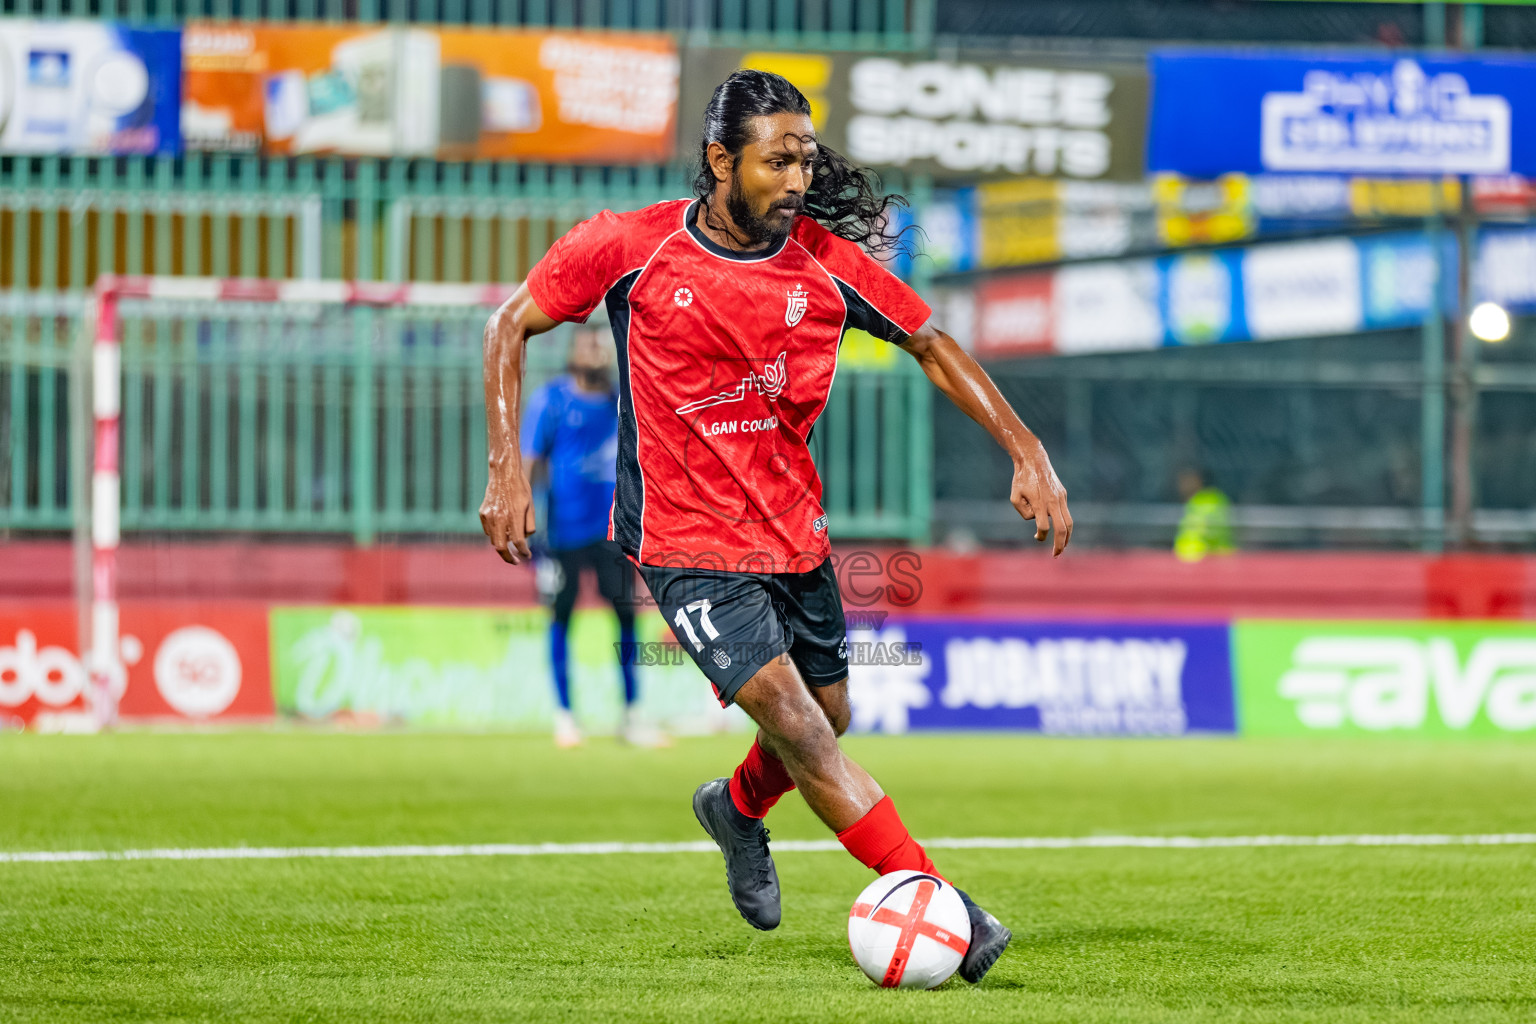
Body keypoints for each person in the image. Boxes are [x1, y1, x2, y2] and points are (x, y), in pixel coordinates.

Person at [480, 70, 1072, 984]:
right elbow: (508, 325)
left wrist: (1026, 449)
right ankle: (938, 900)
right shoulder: (629, 248)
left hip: (793, 535)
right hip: (682, 543)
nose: (798, 180)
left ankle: (736, 810)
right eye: (777, 162)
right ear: (721, 161)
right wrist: (505, 464)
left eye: (805, 161)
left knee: (830, 714)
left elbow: (931, 343)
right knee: (803, 725)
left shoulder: (824, 264)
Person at [522, 328, 665, 748]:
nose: (597, 350)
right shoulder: (551, 401)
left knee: (625, 617)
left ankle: (632, 714)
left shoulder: (621, 401)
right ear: (572, 351)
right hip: (562, 532)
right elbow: (530, 461)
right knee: (561, 617)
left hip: (613, 532)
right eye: (588, 343)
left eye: (602, 344)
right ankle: (564, 715)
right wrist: (525, 515)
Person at [1173, 466, 1235, 563]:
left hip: (1203, 557)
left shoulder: (1207, 501)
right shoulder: (1194, 501)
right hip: (1197, 557)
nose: (1182, 485)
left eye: (1187, 480)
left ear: (1198, 480)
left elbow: (1209, 530)